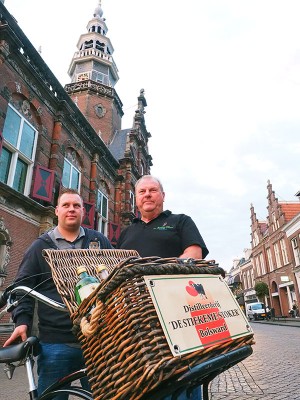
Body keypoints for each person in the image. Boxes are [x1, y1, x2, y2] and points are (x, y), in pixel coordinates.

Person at [4, 188, 113, 399]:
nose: (71, 209)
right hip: (55, 342)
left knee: (104, 395)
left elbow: (114, 279)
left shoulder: (99, 242)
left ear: (83, 211)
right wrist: (22, 322)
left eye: (76, 206)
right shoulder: (40, 247)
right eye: (66, 205)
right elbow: (21, 288)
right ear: (57, 211)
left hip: (98, 340)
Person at [117, 175, 209, 400]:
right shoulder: (126, 233)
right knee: (147, 377)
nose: (147, 194)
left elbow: (194, 254)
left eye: (153, 190)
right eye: (142, 192)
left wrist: (158, 274)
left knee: (186, 374)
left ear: (163, 196)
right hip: (137, 316)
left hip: (177, 312)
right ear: (136, 200)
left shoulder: (180, 221)